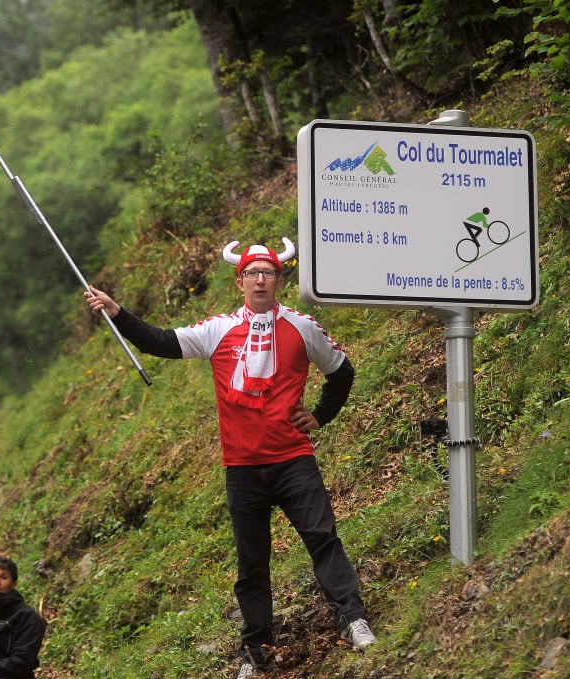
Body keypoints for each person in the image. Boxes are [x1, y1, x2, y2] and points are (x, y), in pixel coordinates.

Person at [85, 238, 377, 678]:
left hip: (293, 458)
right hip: (242, 468)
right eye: (252, 274)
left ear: (280, 279)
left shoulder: (302, 326)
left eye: (268, 273)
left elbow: (342, 371)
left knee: (322, 539)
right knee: (252, 563)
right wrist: (119, 313)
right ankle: (256, 652)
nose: (260, 280)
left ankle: (352, 618)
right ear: (239, 281)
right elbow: (160, 342)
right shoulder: (218, 329)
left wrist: (320, 415)